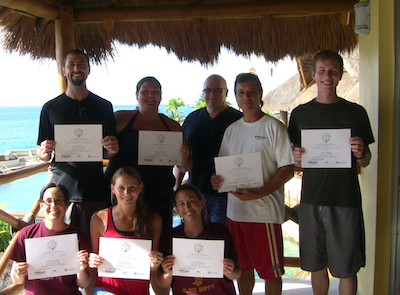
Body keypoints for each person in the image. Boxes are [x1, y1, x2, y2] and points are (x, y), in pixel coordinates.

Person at [288, 50, 375, 295]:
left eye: (333, 71)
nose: (328, 75)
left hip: (345, 199)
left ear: (340, 75)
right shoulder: (299, 114)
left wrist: (360, 153)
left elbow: (366, 161)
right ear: (314, 74)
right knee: (316, 264)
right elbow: (293, 156)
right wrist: (295, 157)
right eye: (322, 70)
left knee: (347, 267)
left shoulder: (356, 112)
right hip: (311, 199)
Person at [211, 73, 294, 295]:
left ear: (260, 94)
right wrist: (216, 179)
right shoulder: (232, 130)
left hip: (264, 215)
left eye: (251, 92)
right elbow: (223, 169)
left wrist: (260, 192)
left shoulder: (274, 127)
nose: (246, 96)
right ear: (235, 97)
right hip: (235, 214)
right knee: (243, 270)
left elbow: (288, 169)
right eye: (241, 92)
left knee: (271, 273)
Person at [36, 49, 119, 239]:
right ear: (64, 70)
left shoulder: (104, 106)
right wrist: (44, 152)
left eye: (81, 64)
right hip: (61, 193)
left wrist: (113, 150)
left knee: (95, 248)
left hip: (95, 191)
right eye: (71, 64)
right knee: (62, 249)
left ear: (88, 70)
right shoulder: (50, 108)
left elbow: (109, 153)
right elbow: (43, 154)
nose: (76, 68)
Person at [104, 76, 192, 231]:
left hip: (158, 197)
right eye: (145, 91)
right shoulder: (120, 118)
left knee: (159, 247)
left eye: (155, 92)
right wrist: (109, 149)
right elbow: (103, 152)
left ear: (161, 96)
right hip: (122, 196)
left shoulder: (173, 126)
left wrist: (183, 158)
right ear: (137, 95)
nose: (150, 95)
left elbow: (185, 166)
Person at [88, 166, 163, 295]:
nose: (126, 193)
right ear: (113, 189)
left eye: (132, 188)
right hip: (106, 289)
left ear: (140, 188)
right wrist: (92, 260)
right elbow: (94, 267)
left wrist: (155, 264)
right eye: (121, 188)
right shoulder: (99, 219)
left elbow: (152, 271)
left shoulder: (153, 220)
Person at [156, 184, 241, 295]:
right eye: (181, 203)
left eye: (191, 201)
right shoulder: (169, 237)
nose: (187, 207)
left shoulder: (220, 232)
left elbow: (237, 273)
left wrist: (229, 271)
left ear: (202, 203)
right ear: (176, 209)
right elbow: (162, 283)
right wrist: (168, 274)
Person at [181, 74, 242, 224]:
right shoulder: (191, 119)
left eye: (217, 90)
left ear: (226, 92)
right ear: (203, 93)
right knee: (196, 241)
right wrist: (177, 187)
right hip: (195, 194)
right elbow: (181, 156)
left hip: (227, 196)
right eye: (208, 90)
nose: (212, 94)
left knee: (220, 240)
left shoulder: (239, 119)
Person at [9, 183, 91, 295]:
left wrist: (81, 270)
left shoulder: (78, 237)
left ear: (67, 204)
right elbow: (16, 279)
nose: (53, 206)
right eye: (48, 201)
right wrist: (18, 273)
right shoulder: (26, 234)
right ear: (41, 205)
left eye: (59, 200)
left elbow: (83, 284)